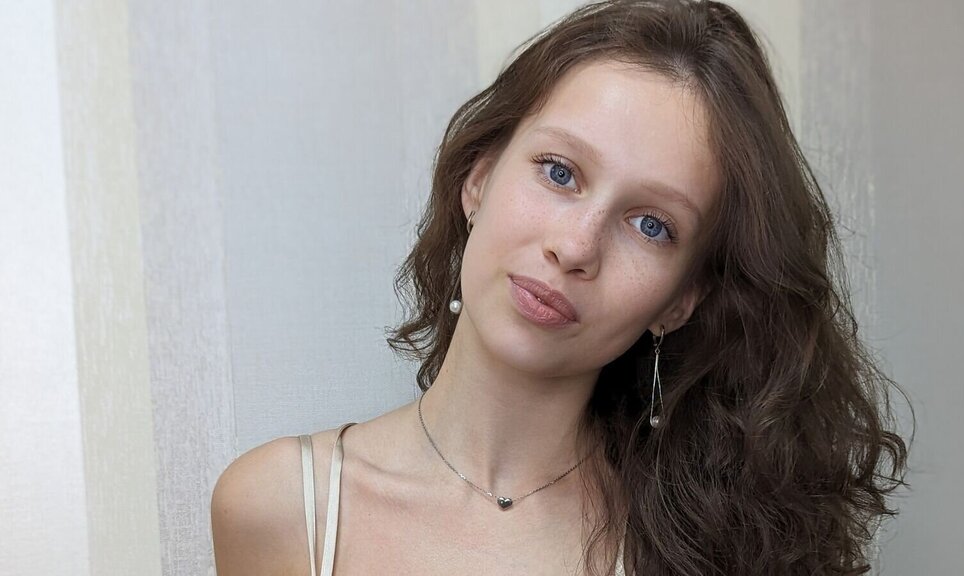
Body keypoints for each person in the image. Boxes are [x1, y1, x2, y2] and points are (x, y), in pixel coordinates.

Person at [211, 1, 909, 574]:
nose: (575, 247)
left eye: (651, 225)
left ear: (681, 299)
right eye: (559, 172)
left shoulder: (708, 548)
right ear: (479, 177)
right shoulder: (284, 508)